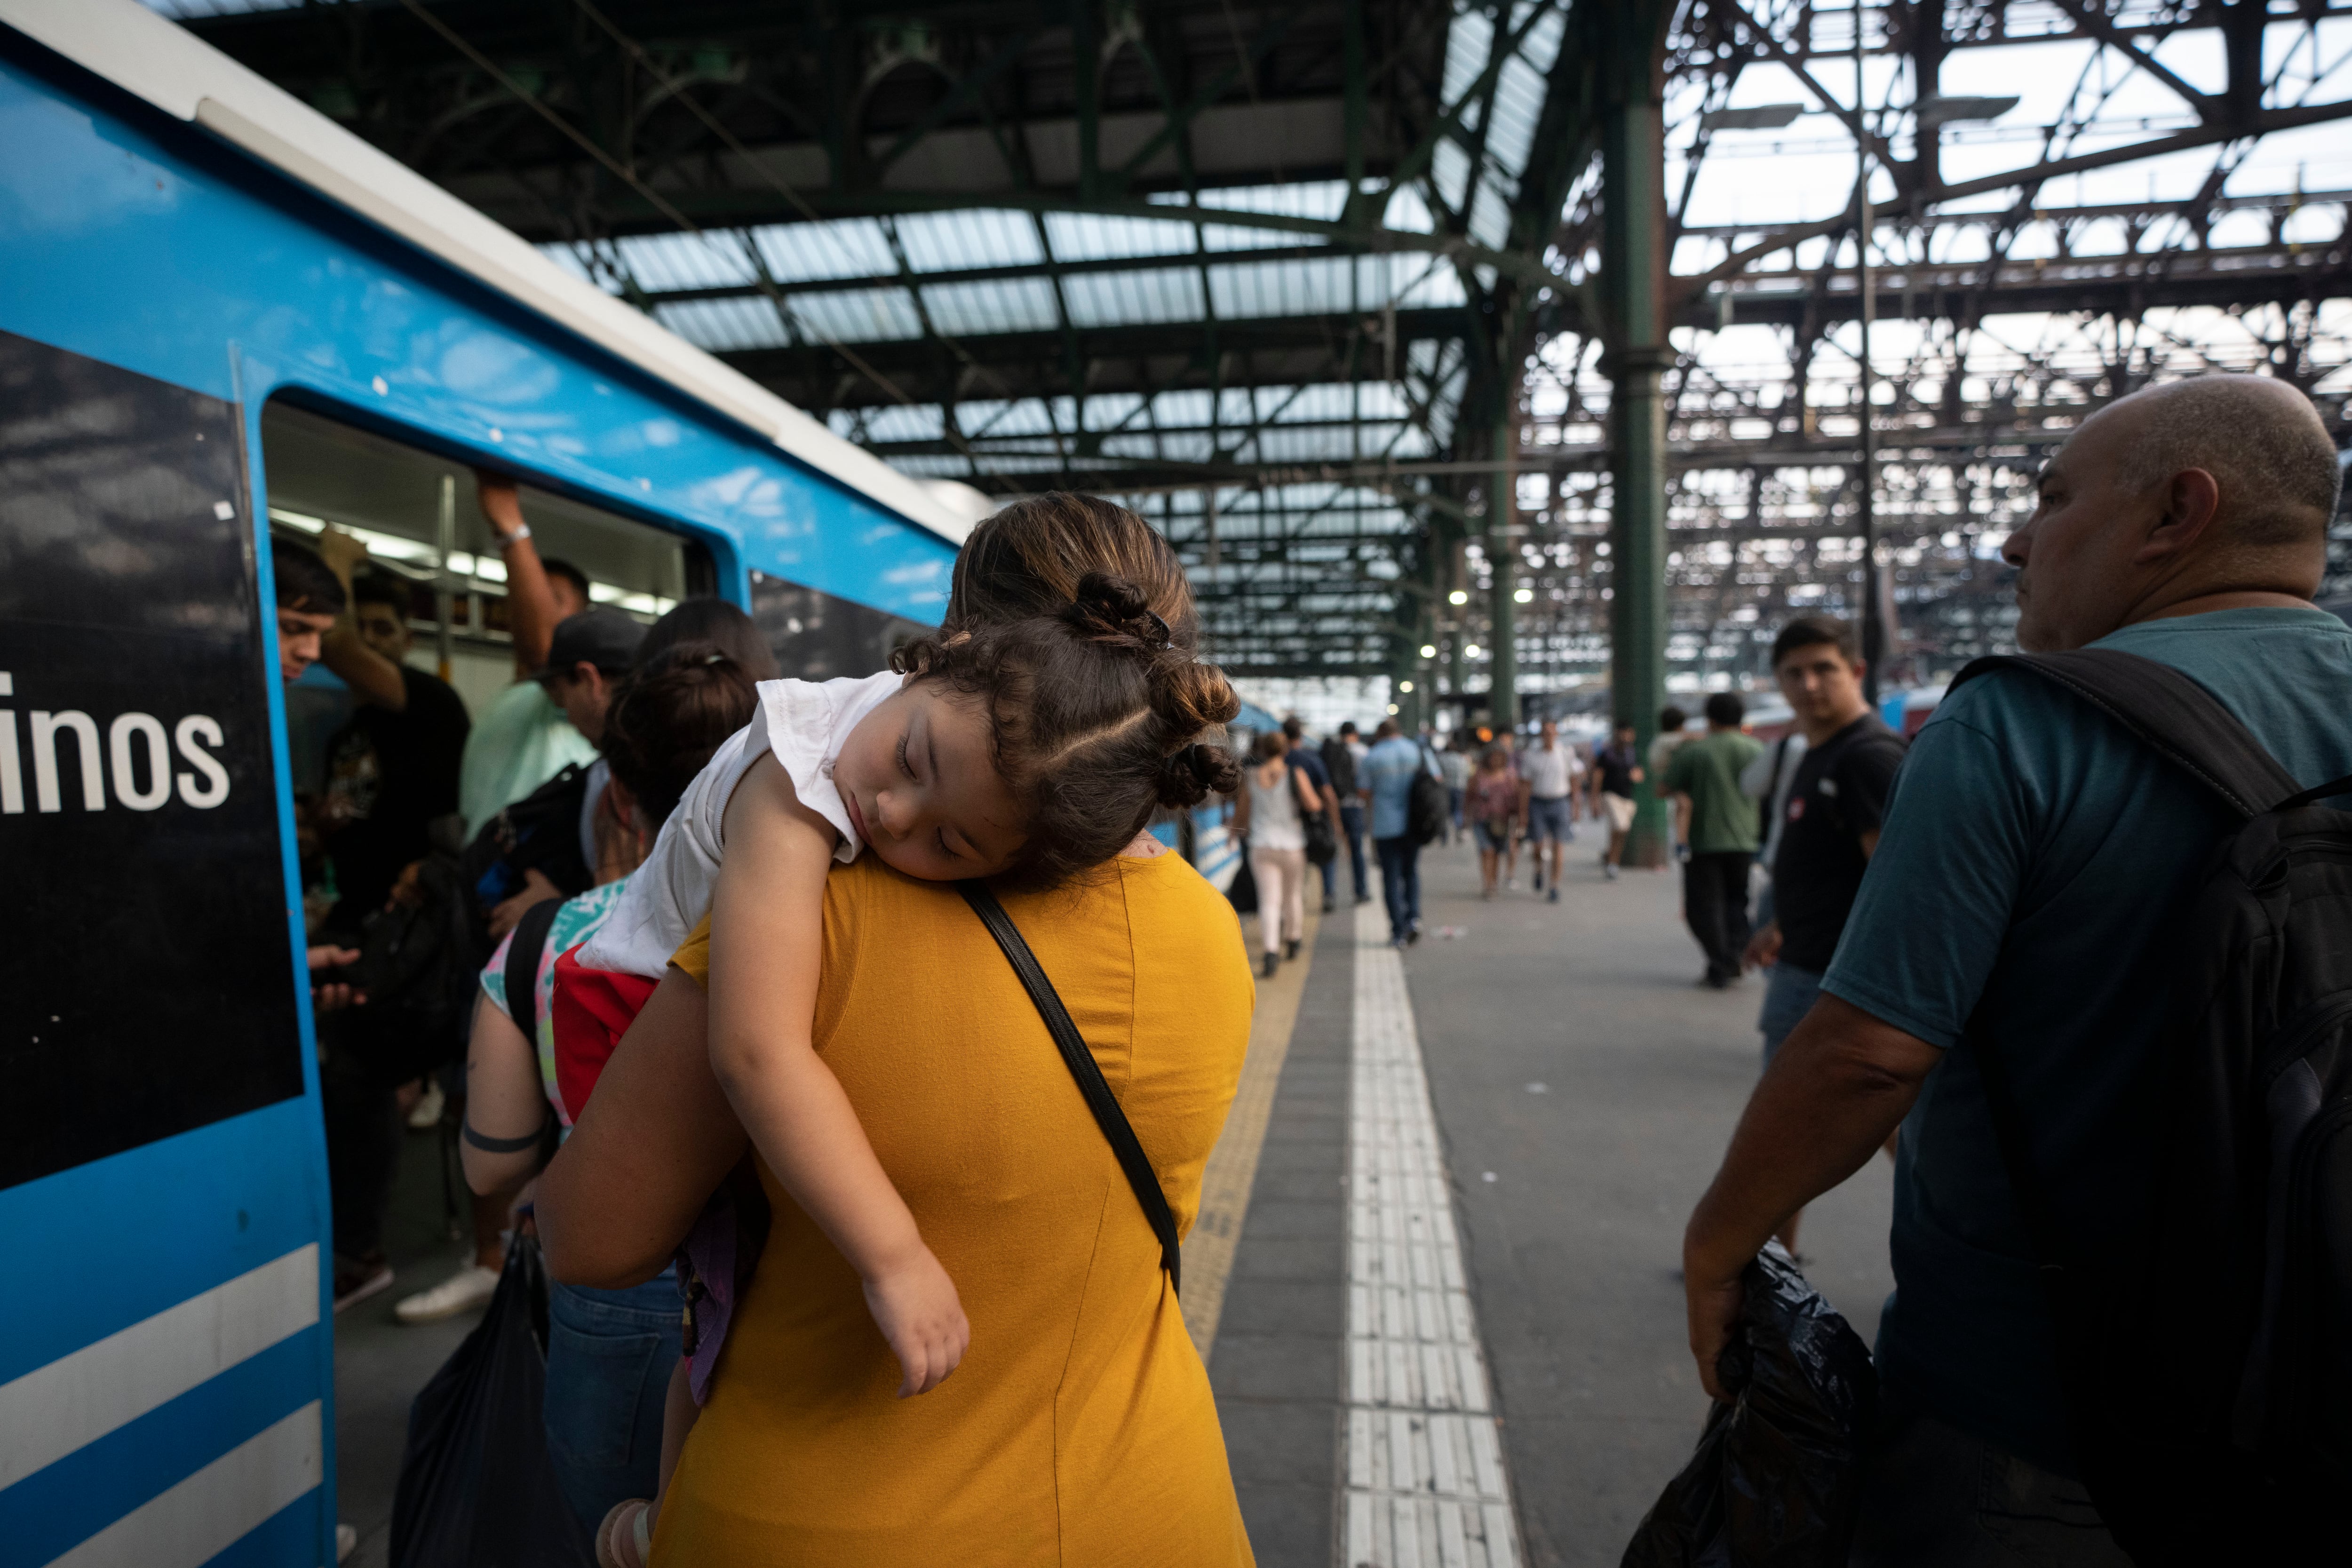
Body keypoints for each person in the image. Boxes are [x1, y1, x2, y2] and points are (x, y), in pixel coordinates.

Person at [1680, 374, 2351, 1562]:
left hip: (2035, 1406)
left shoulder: (2015, 724)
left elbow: (1868, 1056)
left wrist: (1719, 1243)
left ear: (2172, 515)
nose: (2013, 539)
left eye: (2050, 497)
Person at [535, 502, 1255, 1568]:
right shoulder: (1210, 932)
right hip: (1161, 1506)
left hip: (818, 1521)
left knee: (705, 1306)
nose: (894, 816)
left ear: (964, 631)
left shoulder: (818, 911)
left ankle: (651, 1520)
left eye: (957, 835)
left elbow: (590, 1242)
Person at [459, 638, 762, 1533]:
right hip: (788, 1287)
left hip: (614, 1302)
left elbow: (491, 1168)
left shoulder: (544, 940)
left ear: (622, 794)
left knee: (618, 1532)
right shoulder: (820, 933)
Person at [1737, 616, 1905, 1254]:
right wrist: (1783, 924)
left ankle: (1757, 1263)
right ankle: (1768, 1257)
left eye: (1824, 669)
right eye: (1794, 673)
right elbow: (1835, 871)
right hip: (1810, 963)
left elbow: (1891, 882)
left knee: (1779, 1129)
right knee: (1839, 1127)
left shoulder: (1865, 757)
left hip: (1833, 981)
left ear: (1856, 671)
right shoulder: (1822, 752)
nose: (1808, 685)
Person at [316, 570, 472, 930]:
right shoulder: (342, 737)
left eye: (383, 629)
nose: (368, 641)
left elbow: (340, 647)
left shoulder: (430, 700)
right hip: (356, 909)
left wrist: (339, 557)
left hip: (417, 911)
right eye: (361, 628)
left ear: (408, 641)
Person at [456, 470, 598, 836]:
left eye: (554, 600)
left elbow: (546, 651)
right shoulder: (504, 702)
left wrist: (511, 527)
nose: (529, 604)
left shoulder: (566, 695)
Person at [1661, 692, 1762, 988]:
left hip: (1704, 841)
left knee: (1704, 907)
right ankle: (1733, 956)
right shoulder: (1757, 749)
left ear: (1710, 719)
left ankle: (1721, 963)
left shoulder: (1695, 751)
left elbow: (1664, 787)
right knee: (1737, 901)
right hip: (1745, 839)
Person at [1230, 729, 1319, 976]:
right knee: (1293, 896)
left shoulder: (1251, 776)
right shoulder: (1296, 774)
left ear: (1262, 750)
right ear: (1286, 750)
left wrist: (1232, 836)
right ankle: (1293, 939)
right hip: (1292, 845)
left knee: (1269, 900)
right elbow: (1314, 804)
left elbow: (1242, 813)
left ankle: (1271, 952)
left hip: (1261, 846)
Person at [1362, 718, 1438, 946]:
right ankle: (1414, 918)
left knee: (1390, 878)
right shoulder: (1417, 750)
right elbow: (1436, 780)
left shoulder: (1373, 756)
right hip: (1415, 823)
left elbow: (1363, 792)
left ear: (1380, 734)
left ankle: (1398, 931)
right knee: (1411, 872)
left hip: (1385, 825)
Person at [1280, 715, 1344, 911]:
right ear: (1301, 735)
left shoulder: (1277, 761)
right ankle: (1328, 893)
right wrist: (1336, 823)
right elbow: (1328, 794)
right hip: (1314, 819)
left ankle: (1294, 900)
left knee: (1294, 866)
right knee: (1325, 854)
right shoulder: (1312, 760)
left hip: (1286, 821)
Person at [1519, 718, 1579, 902]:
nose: (1549, 736)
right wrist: (1523, 812)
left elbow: (1574, 778)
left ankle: (1554, 885)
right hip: (1538, 802)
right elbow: (1525, 785)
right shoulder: (1531, 756)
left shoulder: (1565, 753)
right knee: (1538, 845)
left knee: (1558, 844)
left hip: (1560, 802)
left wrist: (1576, 804)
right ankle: (1539, 869)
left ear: (1557, 734)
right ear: (1541, 735)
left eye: (1552, 732)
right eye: (1546, 733)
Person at [1319, 720, 1372, 907]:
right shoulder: (1363, 752)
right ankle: (1361, 891)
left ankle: (1329, 894)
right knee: (1357, 851)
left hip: (1332, 806)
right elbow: (1367, 784)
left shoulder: (1329, 752)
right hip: (1355, 806)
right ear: (1356, 733)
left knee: (1331, 849)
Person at [1589, 721, 1644, 880]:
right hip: (1610, 795)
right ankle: (1612, 860)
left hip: (1628, 798)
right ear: (1618, 733)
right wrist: (1594, 800)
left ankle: (1611, 859)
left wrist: (1637, 776)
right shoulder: (1607, 754)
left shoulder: (1633, 753)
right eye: (1624, 732)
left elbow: (1639, 773)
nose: (1627, 736)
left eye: (1630, 733)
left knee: (1620, 832)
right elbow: (1598, 776)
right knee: (1621, 826)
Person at [1464, 746, 1519, 899]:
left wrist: (1520, 819)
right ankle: (1487, 884)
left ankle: (1493, 882)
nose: (1495, 760)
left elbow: (1517, 799)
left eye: (1499, 757)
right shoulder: (1478, 776)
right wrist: (1465, 819)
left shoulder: (1510, 777)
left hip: (1502, 821)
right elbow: (1468, 797)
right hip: (1481, 819)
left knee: (1497, 853)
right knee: (1486, 851)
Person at [1649, 705, 1692, 859]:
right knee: (1684, 806)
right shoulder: (1672, 740)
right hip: (1672, 784)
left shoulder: (1658, 740)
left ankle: (1681, 843)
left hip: (1664, 783)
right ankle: (1682, 843)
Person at [1438, 740, 1472, 842]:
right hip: (1460, 788)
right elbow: (1468, 774)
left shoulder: (1442, 759)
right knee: (1458, 811)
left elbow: (1438, 775)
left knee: (1446, 812)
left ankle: (1444, 836)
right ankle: (1459, 833)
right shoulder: (1462, 759)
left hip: (1446, 788)